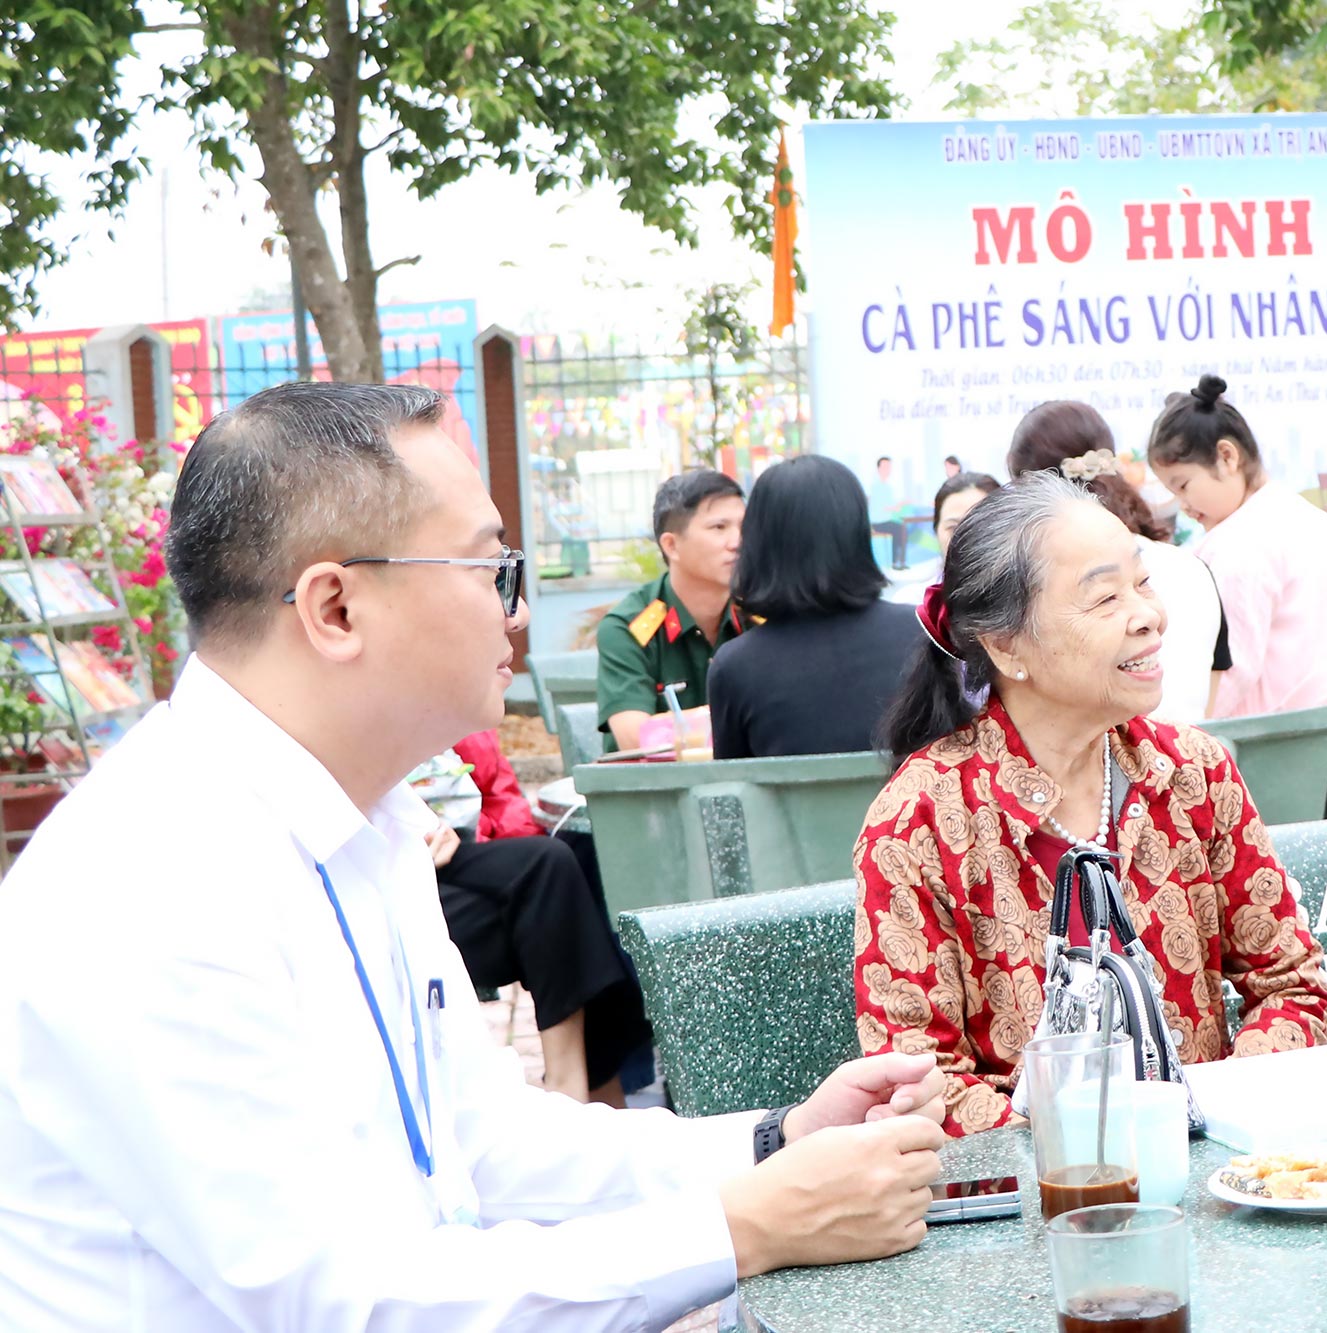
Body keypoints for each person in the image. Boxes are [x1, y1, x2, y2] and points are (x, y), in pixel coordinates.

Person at [0, 382, 948, 1328]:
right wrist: (744, 1227)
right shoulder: (146, 882)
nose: (518, 611)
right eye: (490, 569)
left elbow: (482, 1145)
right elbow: (341, 1302)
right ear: (334, 607)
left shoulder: (369, 824)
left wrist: (776, 1141)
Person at [856, 472, 1327, 1137]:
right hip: (1035, 1208)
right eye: (1105, 597)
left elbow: (1293, 984)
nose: (1149, 614)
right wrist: (1085, 1150)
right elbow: (914, 1071)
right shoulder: (919, 821)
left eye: (1142, 582)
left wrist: (1203, 1115)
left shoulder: (1193, 771)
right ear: (1005, 647)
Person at [1146, 374, 1327, 816]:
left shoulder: (1241, 545)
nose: (1182, 503)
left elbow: (1234, 668)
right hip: (1321, 738)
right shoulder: (1308, 519)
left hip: (1269, 752)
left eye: (1182, 485)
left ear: (1226, 456)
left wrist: (1180, 740)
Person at [425, 729, 651, 1106]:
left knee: (575, 878)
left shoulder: (455, 714)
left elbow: (503, 801)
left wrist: (479, 833)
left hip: (458, 858)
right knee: (557, 883)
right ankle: (581, 1094)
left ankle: (585, 1093)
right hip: (385, 872)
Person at [1008, 400, 1230, 722]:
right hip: (1187, 759)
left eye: (1141, 584)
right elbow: (1209, 690)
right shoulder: (1193, 568)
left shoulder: (1049, 582)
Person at [709, 455, 925, 759]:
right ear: (856, 532)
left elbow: (734, 790)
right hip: (918, 806)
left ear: (759, 543)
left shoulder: (734, 668)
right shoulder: (921, 633)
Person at [596, 469, 747, 751]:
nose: (737, 542)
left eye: (744, 527)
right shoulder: (629, 628)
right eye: (719, 528)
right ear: (671, 545)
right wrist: (742, 719)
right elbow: (635, 738)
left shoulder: (760, 615)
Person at [887, 470, 1001, 606]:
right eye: (953, 528)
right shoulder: (913, 603)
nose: (964, 539)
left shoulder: (1025, 606)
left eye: (978, 526)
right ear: (936, 530)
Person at [867, 455, 909, 570]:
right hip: (877, 522)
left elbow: (890, 507)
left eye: (889, 467)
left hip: (886, 520)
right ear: (879, 468)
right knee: (899, 528)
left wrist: (899, 506)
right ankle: (896, 562)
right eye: (885, 466)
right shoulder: (875, 486)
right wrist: (898, 506)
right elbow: (884, 507)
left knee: (901, 527)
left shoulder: (888, 487)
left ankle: (899, 561)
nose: (888, 469)